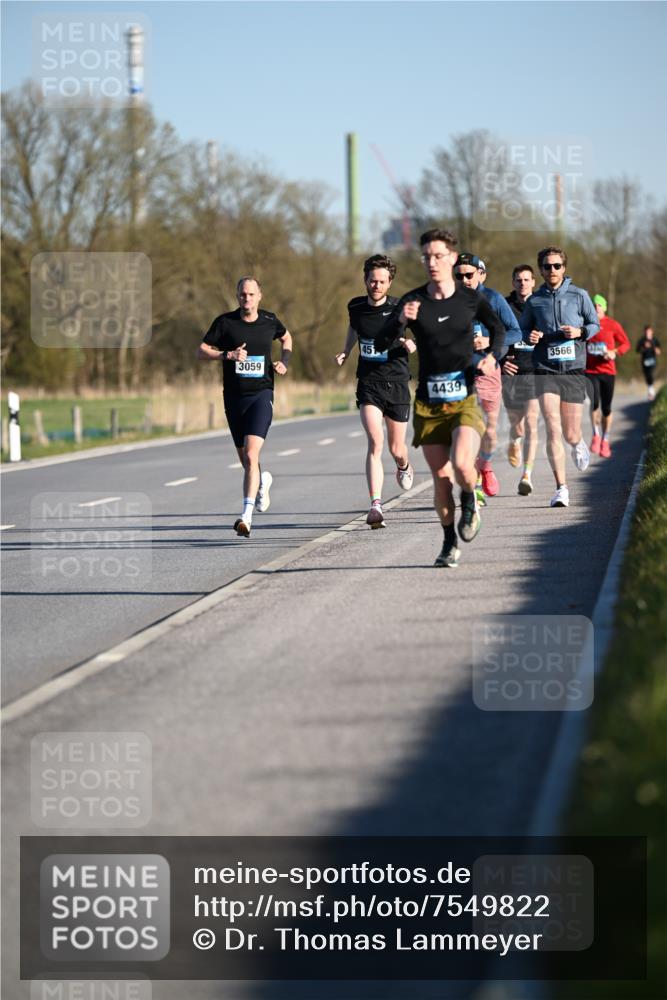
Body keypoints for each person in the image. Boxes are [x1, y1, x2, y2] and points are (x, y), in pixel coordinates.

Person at [383, 229, 506, 568]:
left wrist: (492, 356)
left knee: (464, 465)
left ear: (452, 258)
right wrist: (400, 322)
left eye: (438, 256)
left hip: (463, 398)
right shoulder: (412, 301)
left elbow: (498, 329)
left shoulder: (470, 299)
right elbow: (381, 342)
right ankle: (449, 541)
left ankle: (470, 499)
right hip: (428, 403)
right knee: (440, 478)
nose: (432, 262)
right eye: (426, 257)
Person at [198, 277, 292, 536]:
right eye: (242, 295)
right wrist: (226, 355)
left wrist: (284, 361)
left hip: (261, 394)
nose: (246, 299)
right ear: (237, 296)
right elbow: (201, 351)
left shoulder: (270, 321)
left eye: (251, 294)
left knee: (251, 455)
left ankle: (246, 517)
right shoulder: (225, 323)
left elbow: (287, 339)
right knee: (245, 458)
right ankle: (262, 483)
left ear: (259, 295)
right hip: (233, 397)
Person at [335, 254, 415, 528]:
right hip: (369, 383)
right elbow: (353, 328)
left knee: (397, 449)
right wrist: (346, 351)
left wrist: (411, 343)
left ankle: (404, 465)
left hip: (397, 382)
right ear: (365, 279)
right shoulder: (355, 306)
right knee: (375, 441)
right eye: (372, 280)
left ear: (389, 282)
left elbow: (419, 331)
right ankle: (376, 505)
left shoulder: (400, 307)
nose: (376, 286)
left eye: (381, 281)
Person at [519, 247, 599, 508]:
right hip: (545, 368)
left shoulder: (579, 295)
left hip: (573, 368)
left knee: (570, 432)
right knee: (552, 426)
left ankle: (577, 443)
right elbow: (522, 330)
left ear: (564, 268)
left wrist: (580, 332)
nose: (552, 270)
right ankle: (561, 488)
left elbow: (595, 324)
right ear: (541, 270)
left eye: (556, 266)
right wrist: (530, 336)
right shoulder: (534, 301)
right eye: (547, 266)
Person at [453, 254, 519, 500]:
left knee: (489, 433)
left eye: (469, 275)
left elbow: (515, 332)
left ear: (479, 275)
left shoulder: (493, 299)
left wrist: (489, 341)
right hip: (459, 374)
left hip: (488, 371)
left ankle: (486, 466)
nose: (464, 280)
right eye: (459, 276)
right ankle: (472, 488)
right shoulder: (448, 300)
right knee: (466, 432)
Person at [502, 264, 539, 495]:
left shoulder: (542, 305)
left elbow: (553, 331)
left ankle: (527, 475)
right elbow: (495, 335)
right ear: (513, 283)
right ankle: (515, 440)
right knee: (518, 425)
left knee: (532, 422)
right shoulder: (504, 306)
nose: (523, 283)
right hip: (511, 371)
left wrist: (542, 336)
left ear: (533, 282)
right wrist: (501, 361)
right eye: (518, 280)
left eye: (526, 279)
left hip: (534, 371)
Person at [585, 294, 631, 458]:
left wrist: (614, 352)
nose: (596, 307)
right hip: (590, 371)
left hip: (608, 371)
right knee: (594, 403)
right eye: (594, 305)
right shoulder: (586, 324)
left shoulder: (612, 325)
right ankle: (596, 435)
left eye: (599, 305)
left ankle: (605, 440)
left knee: (606, 408)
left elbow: (626, 343)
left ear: (604, 308)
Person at [636, 325, 661, 400]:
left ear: (652, 332)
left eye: (649, 332)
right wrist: (644, 348)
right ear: (645, 332)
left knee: (651, 374)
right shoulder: (642, 340)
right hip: (644, 361)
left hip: (652, 360)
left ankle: (651, 391)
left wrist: (656, 350)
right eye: (646, 332)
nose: (648, 333)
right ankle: (650, 390)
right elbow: (637, 350)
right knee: (647, 376)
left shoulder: (655, 340)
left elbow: (659, 351)